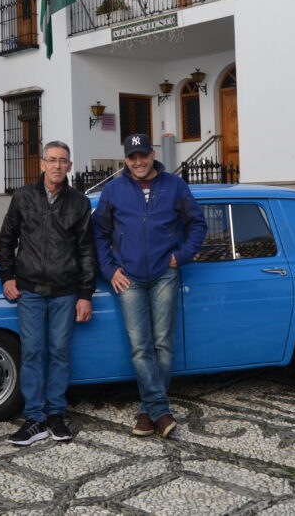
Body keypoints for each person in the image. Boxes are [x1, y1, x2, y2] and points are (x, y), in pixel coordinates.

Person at [92, 133, 206, 439]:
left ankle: (147, 411)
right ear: (125, 160)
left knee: (163, 344)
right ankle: (159, 410)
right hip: (127, 278)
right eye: (132, 157)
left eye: (143, 155)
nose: (138, 162)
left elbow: (198, 224)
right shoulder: (113, 190)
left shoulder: (175, 186)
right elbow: (99, 234)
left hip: (164, 273)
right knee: (140, 346)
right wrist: (110, 269)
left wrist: (179, 257)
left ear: (153, 154)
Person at [0, 140, 96, 446]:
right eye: (51, 160)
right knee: (33, 353)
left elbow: (87, 251)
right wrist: (6, 276)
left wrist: (85, 294)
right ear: (41, 164)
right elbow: (6, 239)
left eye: (62, 161)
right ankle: (35, 418)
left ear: (69, 166)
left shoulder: (79, 203)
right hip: (29, 290)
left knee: (60, 353)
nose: (56, 165)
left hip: (66, 292)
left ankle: (55, 415)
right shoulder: (23, 197)